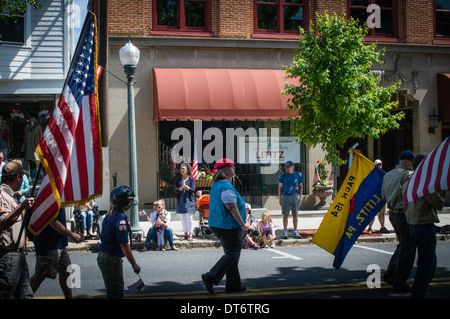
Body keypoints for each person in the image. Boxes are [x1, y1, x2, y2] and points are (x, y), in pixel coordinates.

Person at [201, 158, 247, 294]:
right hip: (228, 226)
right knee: (232, 254)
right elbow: (232, 207)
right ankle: (210, 277)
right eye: (231, 167)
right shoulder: (225, 186)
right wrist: (243, 225)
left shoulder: (217, 185)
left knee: (232, 255)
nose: (234, 169)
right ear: (225, 170)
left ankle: (233, 285)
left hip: (218, 224)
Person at [404, 154, 447, 299]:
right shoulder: (424, 184)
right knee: (425, 264)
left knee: (430, 261)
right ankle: (418, 293)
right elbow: (439, 204)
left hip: (413, 226)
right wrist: (443, 187)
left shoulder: (408, 182)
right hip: (424, 226)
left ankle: (421, 289)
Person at [381, 150, 416, 293]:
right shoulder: (408, 175)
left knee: (403, 245)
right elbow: (409, 196)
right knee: (408, 248)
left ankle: (391, 274)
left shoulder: (388, 175)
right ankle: (400, 280)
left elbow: (383, 197)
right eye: (412, 162)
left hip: (393, 214)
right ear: (407, 161)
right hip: (403, 214)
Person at [97, 185, 141, 299]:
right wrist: (134, 264)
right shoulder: (120, 220)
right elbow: (124, 244)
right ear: (128, 203)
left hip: (104, 256)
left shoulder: (109, 215)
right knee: (116, 293)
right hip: (111, 259)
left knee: (111, 290)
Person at [0, 161, 35, 299]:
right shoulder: (2, 196)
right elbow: (3, 223)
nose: (23, 180)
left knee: (26, 294)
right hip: (8, 256)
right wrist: (21, 207)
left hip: (18, 256)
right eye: (22, 177)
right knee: (5, 294)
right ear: (17, 177)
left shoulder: (11, 196)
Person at [30, 208, 82, 299]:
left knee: (65, 270)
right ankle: (22, 295)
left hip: (59, 242)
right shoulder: (51, 196)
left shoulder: (58, 196)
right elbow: (53, 222)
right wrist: (72, 234)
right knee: (41, 273)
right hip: (48, 242)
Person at [278, 160, 304, 239]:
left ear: (292, 167)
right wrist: (280, 198)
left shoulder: (298, 175)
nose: (287, 169)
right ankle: (285, 231)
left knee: (295, 214)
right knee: (285, 214)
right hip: (285, 195)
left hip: (295, 196)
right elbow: (280, 187)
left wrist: (300, 196)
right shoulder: (283, 176)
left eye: (288, 167)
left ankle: (295, 231)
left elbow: (301, 185)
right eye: (286, 168)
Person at [175, 163, 196, 241]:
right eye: (181, 168)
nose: (182, 170)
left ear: (188, 170)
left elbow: (193, 189)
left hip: (189, 200)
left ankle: (190, 234)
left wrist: (186, 186)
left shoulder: (191, 179)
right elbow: (176, 190)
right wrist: (181, 187)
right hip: (181, 200)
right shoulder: (178, 179)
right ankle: (185, 234)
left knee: (189, 218)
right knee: (183, 218)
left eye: (183, 168)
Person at [367, 159, 389, 234]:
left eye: (380, 165)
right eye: (377, 165)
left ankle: (382, 227)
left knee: (382, 213)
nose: (379, 166)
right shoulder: (371, 175)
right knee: (372, 213)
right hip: (373, 197)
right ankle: (369, 228)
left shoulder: (384, 174)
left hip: (382, 197)